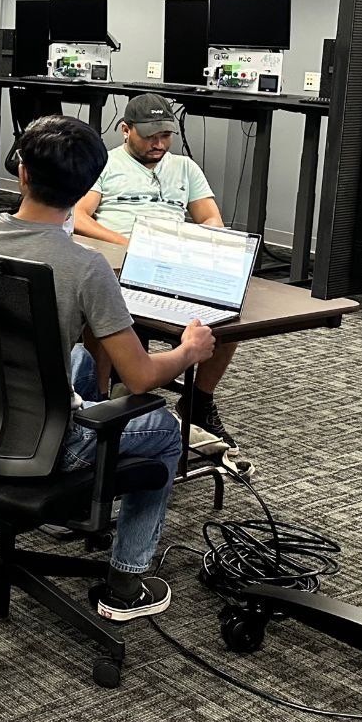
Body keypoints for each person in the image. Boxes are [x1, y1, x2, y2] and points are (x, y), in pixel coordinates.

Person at [0, 115, 216, 620]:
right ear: (88, 188)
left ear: (22, 173)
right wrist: (188, 350)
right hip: (35, 442)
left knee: (78, 358)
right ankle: (126, 583)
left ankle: (64, 505)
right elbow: (141, 377)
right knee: (164, 428)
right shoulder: (84, 266)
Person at [71, 93, 242, 457]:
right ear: (125, 130)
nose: (159, 144)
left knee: (228, 318)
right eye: (150, 136)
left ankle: (198, 401)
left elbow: (211, 218)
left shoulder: (185, 168)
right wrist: (132, 244)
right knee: (101, 307)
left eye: (165, 136)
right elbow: (80, 217)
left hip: (173, 262)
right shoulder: (105, 163)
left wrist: (199, 242)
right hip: (121, 258)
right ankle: (99, 399)